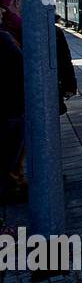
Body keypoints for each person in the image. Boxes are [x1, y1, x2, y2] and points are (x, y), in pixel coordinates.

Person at [0, 26, 24, 204]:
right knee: (10, 152)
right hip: (12, 106)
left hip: (11, 106)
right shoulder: (4, 40)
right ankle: (10, 186)